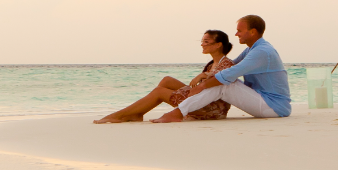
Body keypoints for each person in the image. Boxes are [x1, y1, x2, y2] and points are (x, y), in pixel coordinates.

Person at [153, 14, 291, 122]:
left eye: (239, 31)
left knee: (225, 84)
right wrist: (206, 75)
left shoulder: (262, 51)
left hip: (274, 107)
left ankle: (178, 113)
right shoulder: (252, 50)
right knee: (222, 81)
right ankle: (180, 111)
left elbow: (230, 73)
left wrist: (201, 86)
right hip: (265, 101)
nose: (236, 34)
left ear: (253, 32)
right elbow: (231, 65)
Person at [94, 30, 237, 123]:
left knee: (159, 92)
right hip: (203, 99)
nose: (202, 44)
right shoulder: (212, 63)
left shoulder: (227, 63)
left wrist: (203, 75)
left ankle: (119, 115)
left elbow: (221, 81)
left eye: (206, 41)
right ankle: (137, 113)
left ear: (218, 45)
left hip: (213, 109)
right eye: (202, 41)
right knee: (167, 80)